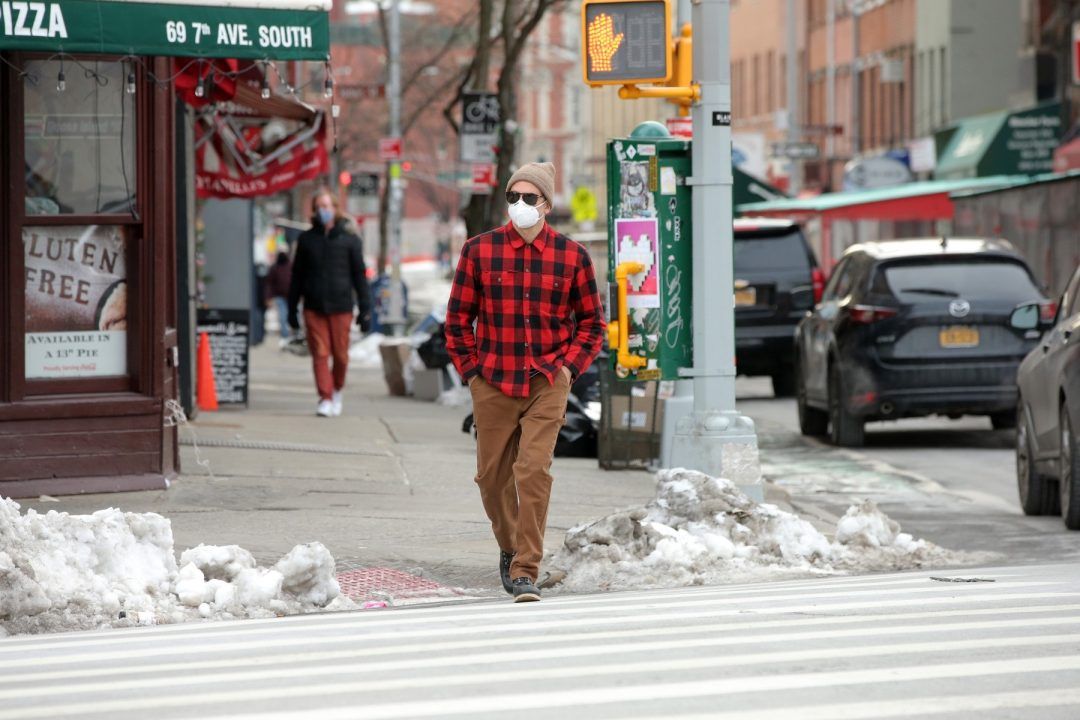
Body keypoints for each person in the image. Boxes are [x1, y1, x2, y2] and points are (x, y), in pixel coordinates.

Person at [445, 162, 605, 603]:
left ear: (547, 205)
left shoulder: (573, 256)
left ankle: (525, 569)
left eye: (528, 198)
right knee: (491, 479)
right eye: (512, 197)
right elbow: (458, 319)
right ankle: (511, 545)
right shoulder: (479, 251)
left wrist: (569, 369)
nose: (519, 205)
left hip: (546, 379)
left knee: (532, 471)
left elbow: (592, 323)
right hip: (493, 378)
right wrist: (473, 373)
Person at [288, 190, 372, 417]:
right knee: (320, 353)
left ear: (335, 208)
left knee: (341, 355)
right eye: (319, 206)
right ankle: (325, 397)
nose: (323, 210)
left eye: (327, 205)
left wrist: (366, 308)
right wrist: (291, 309)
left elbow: (359, 276)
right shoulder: (306, 240)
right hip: (313, 306)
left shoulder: (350, 240)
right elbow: (296, 276)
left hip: (341, 306)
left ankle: (336, 389)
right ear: (315, 211)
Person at [265, 250, 293, 340]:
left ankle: (294, 335)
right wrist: (268, 297)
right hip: (280, 296)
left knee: (292, 316)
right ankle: (285, 336)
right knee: (282, 317)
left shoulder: (291, 266)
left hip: (291, 296)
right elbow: (270, 283)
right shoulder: (274, 267)